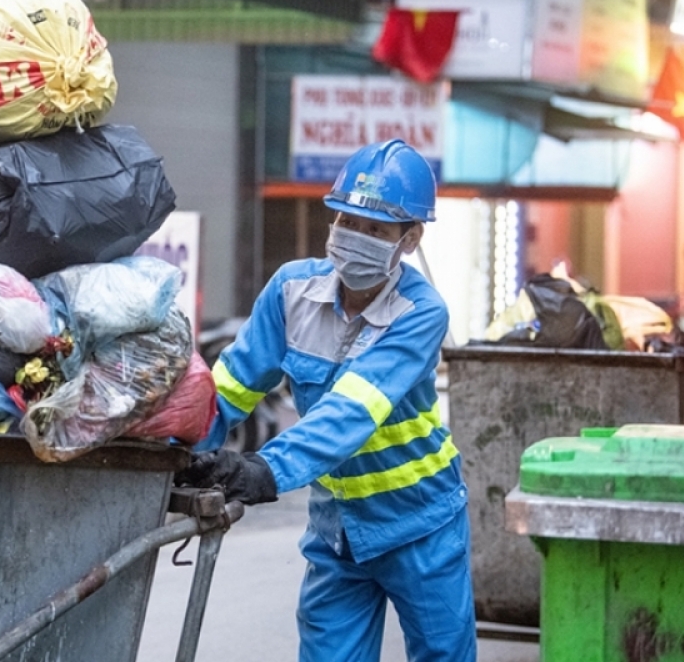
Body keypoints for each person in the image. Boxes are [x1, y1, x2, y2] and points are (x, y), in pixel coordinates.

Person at [176, 139, 476, 662]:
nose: (355, 238)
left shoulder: (421, 312)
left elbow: (352, 411)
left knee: (443, 655)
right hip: (338, 528)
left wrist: (263, 471)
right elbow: (229, 385)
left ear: (409, 240)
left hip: (420, 524)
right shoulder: (291, 290)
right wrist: (182, 457)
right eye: (348, 223)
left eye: (376, 230)